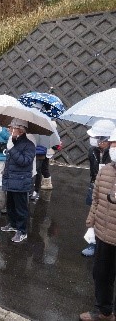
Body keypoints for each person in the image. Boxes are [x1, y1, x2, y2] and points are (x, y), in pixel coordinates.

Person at [79, 128, 116, 321]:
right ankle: (104, 311)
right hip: (103, 232)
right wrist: (91, 222)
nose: (114, 148)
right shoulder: (106, 170)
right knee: (101, 274)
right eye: (113, 143)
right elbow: (96, 199)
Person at [81, 119, 114, 257]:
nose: (94, 140)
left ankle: (102, 243)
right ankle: (92, 242)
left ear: (105, 139)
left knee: (106, 216)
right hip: (95, 184)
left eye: (97, 137)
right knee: (93, 212)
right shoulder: (92, 151)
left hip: (110, 190)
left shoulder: (112, 153)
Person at [1, 118, 35, 243]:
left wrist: (12, 149)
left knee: (21, 208)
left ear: (20, 130)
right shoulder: (13, 141)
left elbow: (25, 161)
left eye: (12, 128)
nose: (9, 129)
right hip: (11, 179)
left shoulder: (29, 145)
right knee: (10, 205)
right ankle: (13, 224)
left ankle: (22, 231)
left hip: (21, 181)